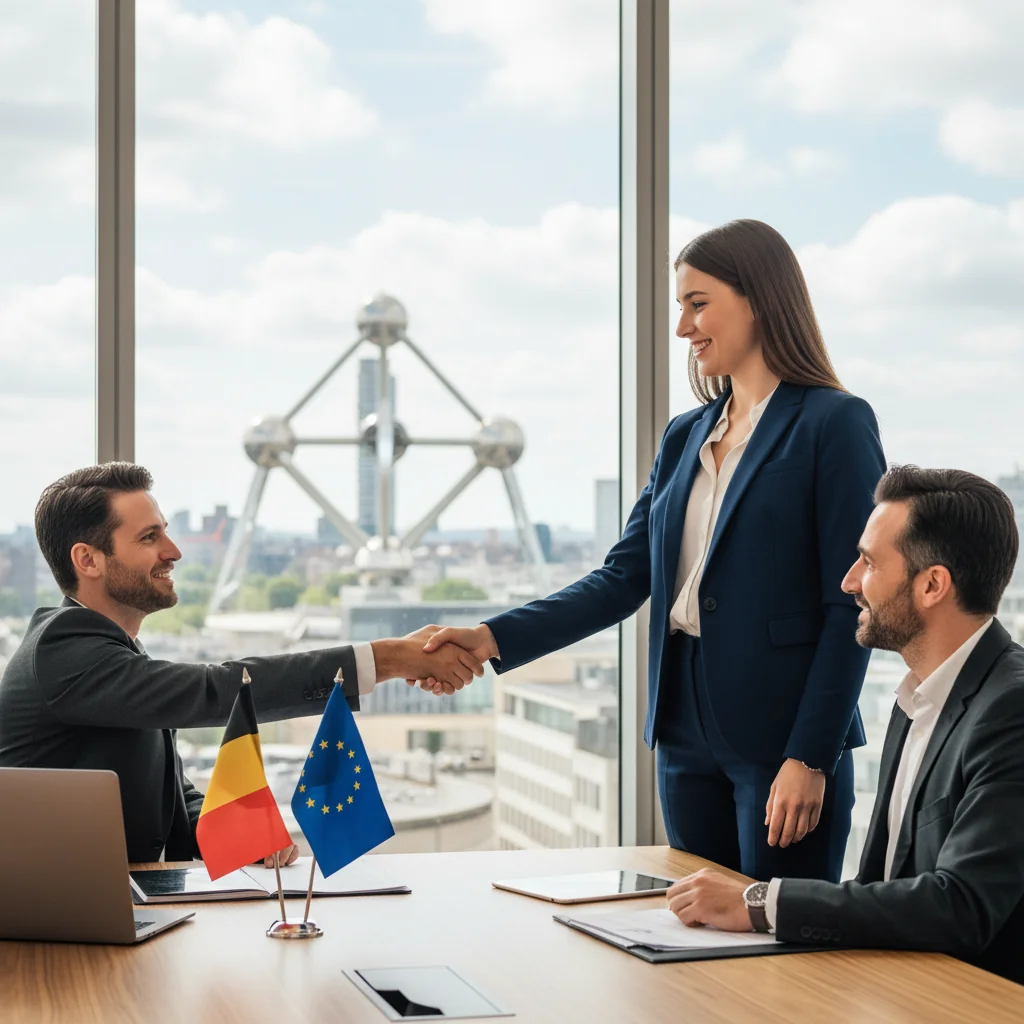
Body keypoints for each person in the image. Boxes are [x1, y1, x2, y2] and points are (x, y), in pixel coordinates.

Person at [416, 220, 885, 883]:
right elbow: (622, 577)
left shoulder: (833, 422)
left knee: (778, 934)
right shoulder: (684, 436)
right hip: (682, 728)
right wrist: (491, 638)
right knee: (693, 923)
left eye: (698, 304)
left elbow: (854, 602)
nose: (683, 327)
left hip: (782, 735)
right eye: (680, 307)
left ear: (758, 300)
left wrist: (812, 755)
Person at [0, 463, 482, 864]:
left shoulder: (111, 652)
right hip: (50, 926)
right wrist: (386, 658)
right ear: (88, 560)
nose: (174, 552)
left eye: (165, 532)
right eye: (149, 537)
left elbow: (169, 793)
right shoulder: (63, 648)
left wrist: (241, 838)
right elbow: (216, 691)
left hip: (113, 912)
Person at [666, 466, 1024, 985]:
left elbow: (962, 905)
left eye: (869, 562)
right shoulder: (917, 698)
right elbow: (883, 884)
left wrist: (758, 902)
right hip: (898, 986)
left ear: (932, 585)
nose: (849, 581)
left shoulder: (1011, 710)